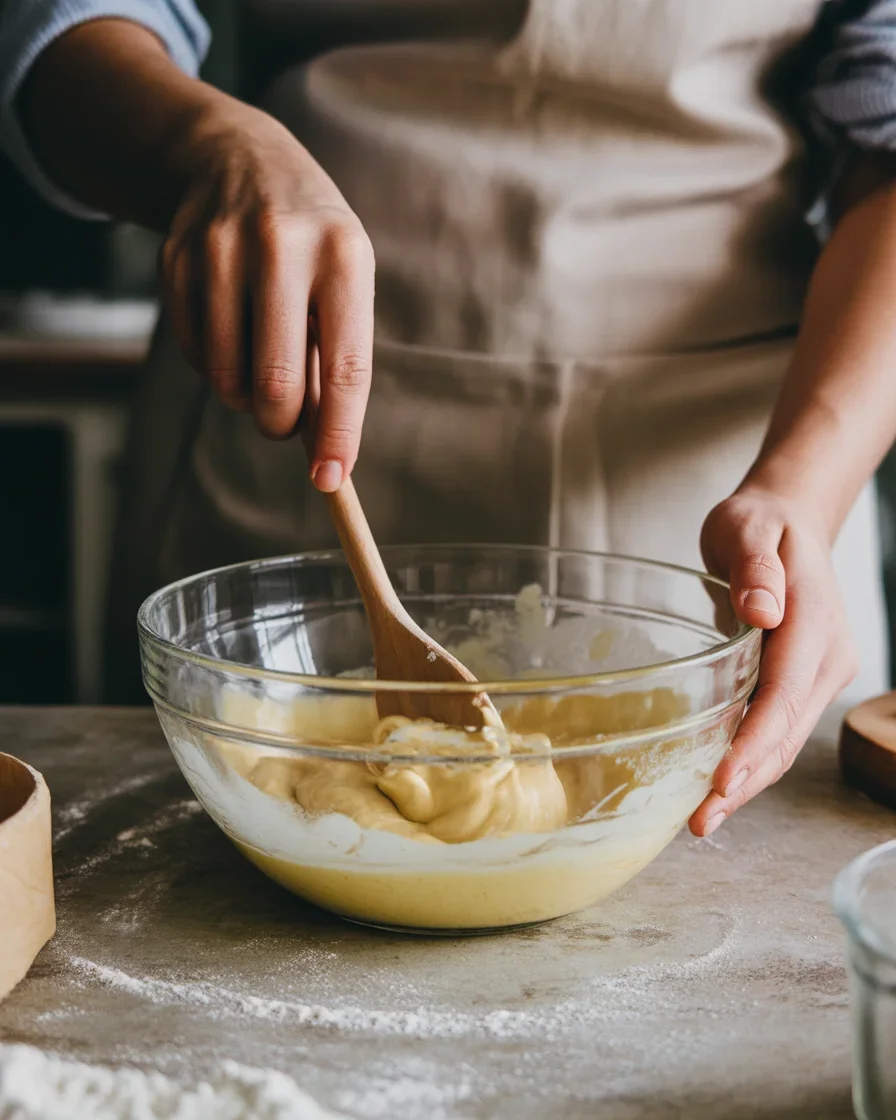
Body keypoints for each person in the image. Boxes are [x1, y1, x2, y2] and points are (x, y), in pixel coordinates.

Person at [1, 0, 894, 839]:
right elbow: (60, 22)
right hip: (291, 380)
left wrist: (803, 493)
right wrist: (202, 144)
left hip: (735, 450)